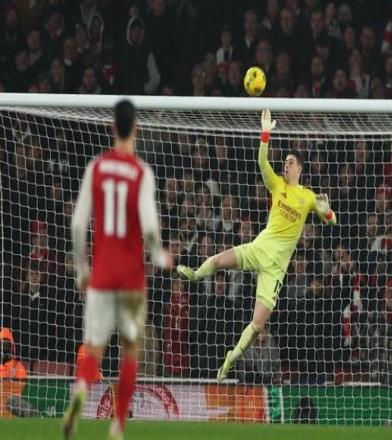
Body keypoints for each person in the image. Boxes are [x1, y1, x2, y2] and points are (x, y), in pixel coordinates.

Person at [177, 109, 337, 382]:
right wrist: (265, 133)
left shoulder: (308, 196)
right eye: (284, 162)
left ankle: (231, 359)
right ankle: (194, 274)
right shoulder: (277, 185)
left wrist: (328, 211)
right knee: (219, 261)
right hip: (258, 248)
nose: (285, 166)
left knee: (258, 323)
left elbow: (332, 221)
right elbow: (262, 162)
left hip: (275, 269)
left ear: (299, 168)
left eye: (290, 163)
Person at [63, 100, 173, 440]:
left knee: (94, 348)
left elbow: (78, 224)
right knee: (130, 351)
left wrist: (82, 268)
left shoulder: (96, 167)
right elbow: (150, 227)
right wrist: (159, 255)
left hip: (102, 275)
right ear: (136, 129)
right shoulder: (141, 172)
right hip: (131, 278)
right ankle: (118, 426)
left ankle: (81, 390)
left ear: (112, 128)